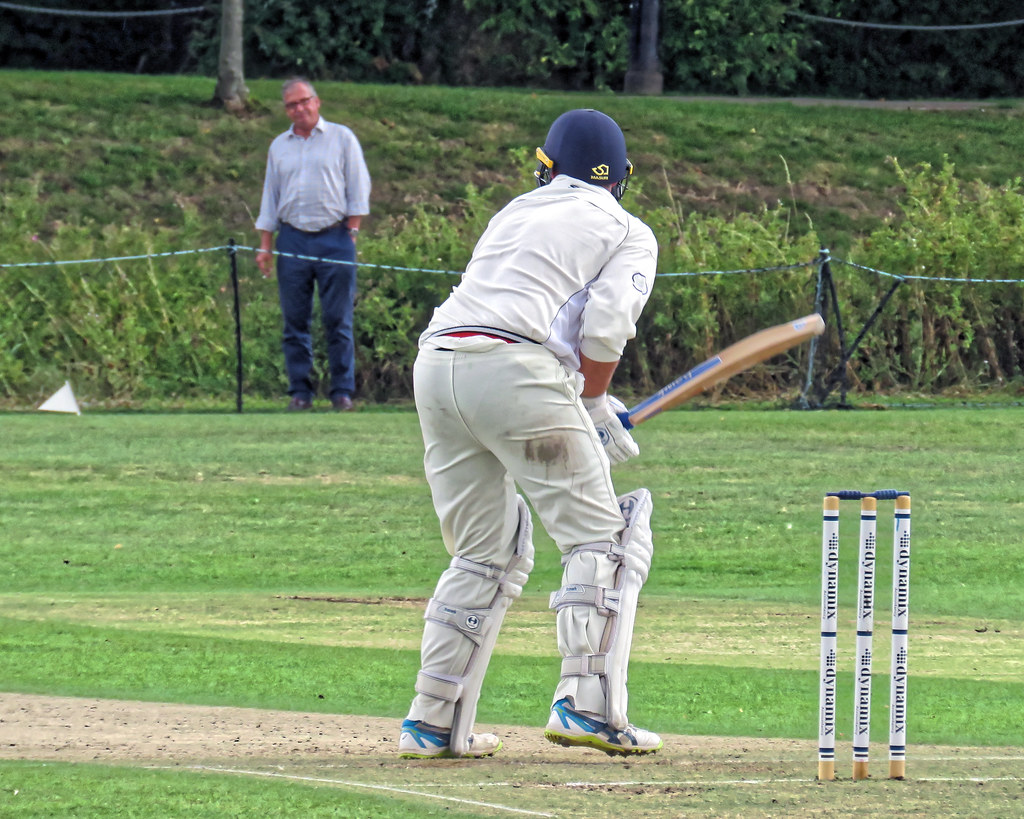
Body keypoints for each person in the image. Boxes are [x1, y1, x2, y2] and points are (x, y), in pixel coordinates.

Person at [398, 109, 662, 759]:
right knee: (607, 535)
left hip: (438, 363)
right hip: (513, 366)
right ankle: (587, 705)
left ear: (545, 166)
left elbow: (533, 308)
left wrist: (579, 401)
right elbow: (603, 330)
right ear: (622, 179)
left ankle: (431, 721)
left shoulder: (516, 209)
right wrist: (594, 402)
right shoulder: (627, 230)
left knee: (486, 551)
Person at [255, 78, 371, 411]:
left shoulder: (341, 138)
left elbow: (358, 187)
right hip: (292, 238)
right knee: (295, 321)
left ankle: (342, 392)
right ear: (286, 110)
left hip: (335, 238)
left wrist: (352, 230)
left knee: (338, 319)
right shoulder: (279, 146)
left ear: (316, 102)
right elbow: (270, 197)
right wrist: (266, 244)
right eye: (292, 105)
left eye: (304, 101)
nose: (299, 108)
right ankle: (300, 393)